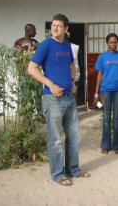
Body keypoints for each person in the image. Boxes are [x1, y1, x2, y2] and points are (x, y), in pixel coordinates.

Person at [27, 14, 90, 186]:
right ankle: (58, 174)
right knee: (55, 139)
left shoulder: (67, 46)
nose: (54, 28)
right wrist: (51, 85)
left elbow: (71, 64)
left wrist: (72, 81)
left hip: (69, 97)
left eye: (58, 26)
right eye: (53, 25)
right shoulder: (46, 45)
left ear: (66, 29)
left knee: (74, 137)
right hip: (52, 97)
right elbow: (31, 68)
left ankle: (73, 170)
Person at [93, 33, 118, 155]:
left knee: (117, 118)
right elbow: (99, 75)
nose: (113, 44)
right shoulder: (103, 57)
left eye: (115, 42)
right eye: (111, 42)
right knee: (106, 118)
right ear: (107, 43)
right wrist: (96, 93)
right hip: (106, 90)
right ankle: (105, 145)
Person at [64, 32, 81, 97]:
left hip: (74, 77)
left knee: (73, 97)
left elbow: (80, 61)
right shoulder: (55, 47)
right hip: (61, 78)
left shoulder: (76, 47)